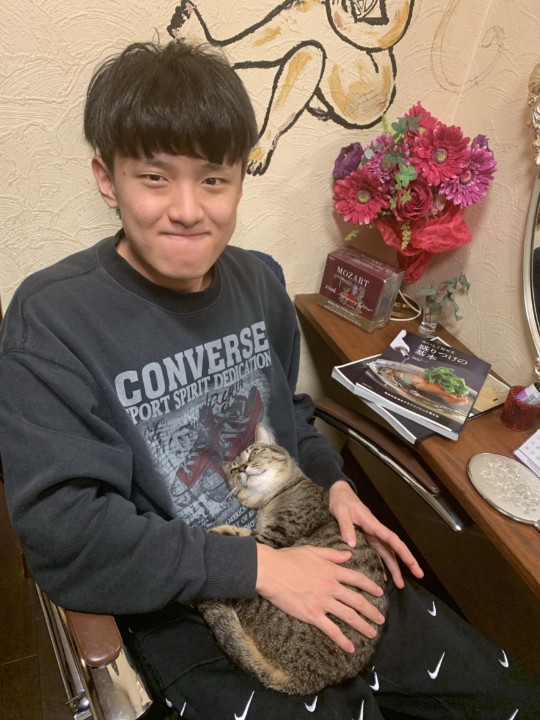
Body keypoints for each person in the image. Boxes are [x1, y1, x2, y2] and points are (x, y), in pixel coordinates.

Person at [0, 39, 538, 720]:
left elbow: (290, 415)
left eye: (213, 179)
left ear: (240, 178)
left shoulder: (258, 282)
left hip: (311, 543)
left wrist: (335, 484)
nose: (188, 209)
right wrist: (260, 570)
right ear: (108, 180)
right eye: (155, 177)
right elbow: (66, 535)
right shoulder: (52, 321)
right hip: (189, 602)